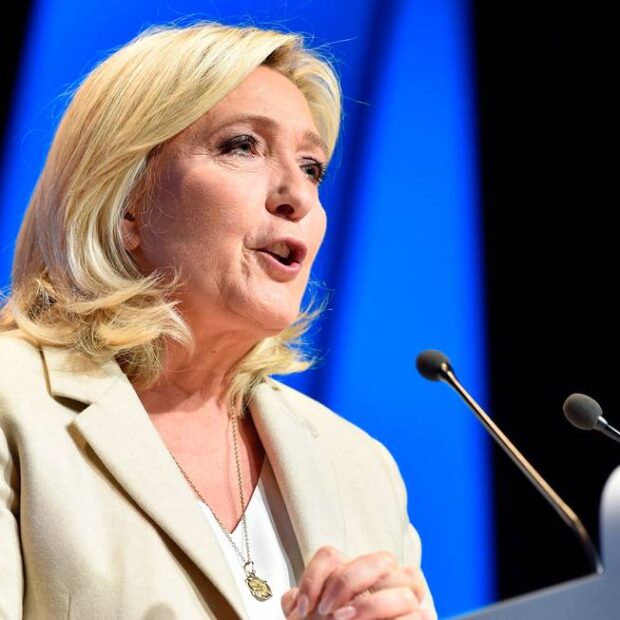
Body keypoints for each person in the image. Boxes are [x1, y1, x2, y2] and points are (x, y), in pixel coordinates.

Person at [0, 21, 436, 620]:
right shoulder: (15, 406)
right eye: (242, 146)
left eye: (312, 167)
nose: (297, 195)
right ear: (126, 203)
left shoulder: (360, 468)